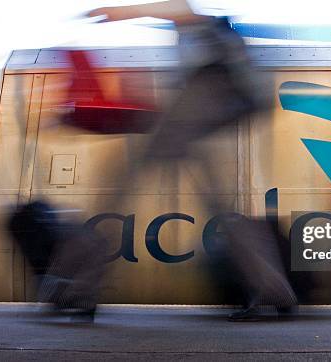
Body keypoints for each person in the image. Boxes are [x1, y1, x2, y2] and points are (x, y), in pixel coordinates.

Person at [87, 0, 297, 321]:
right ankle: (275, 290)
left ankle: (77, 287)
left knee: (122, 185)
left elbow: (180, 9)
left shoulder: (196, 28)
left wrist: (120, 12)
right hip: (215, 104)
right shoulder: (211, 38)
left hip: (204, 96)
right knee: (222, 207)